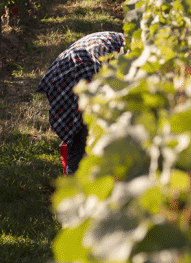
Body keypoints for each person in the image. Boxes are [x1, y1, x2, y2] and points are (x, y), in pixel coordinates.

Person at [36, 31, 125, 175]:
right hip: (66, 81)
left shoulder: (120, 43)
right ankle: (76, 182)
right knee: (80, 137)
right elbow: (105, 94)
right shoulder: (110, 54)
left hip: (76, 74)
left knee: (85, 135)